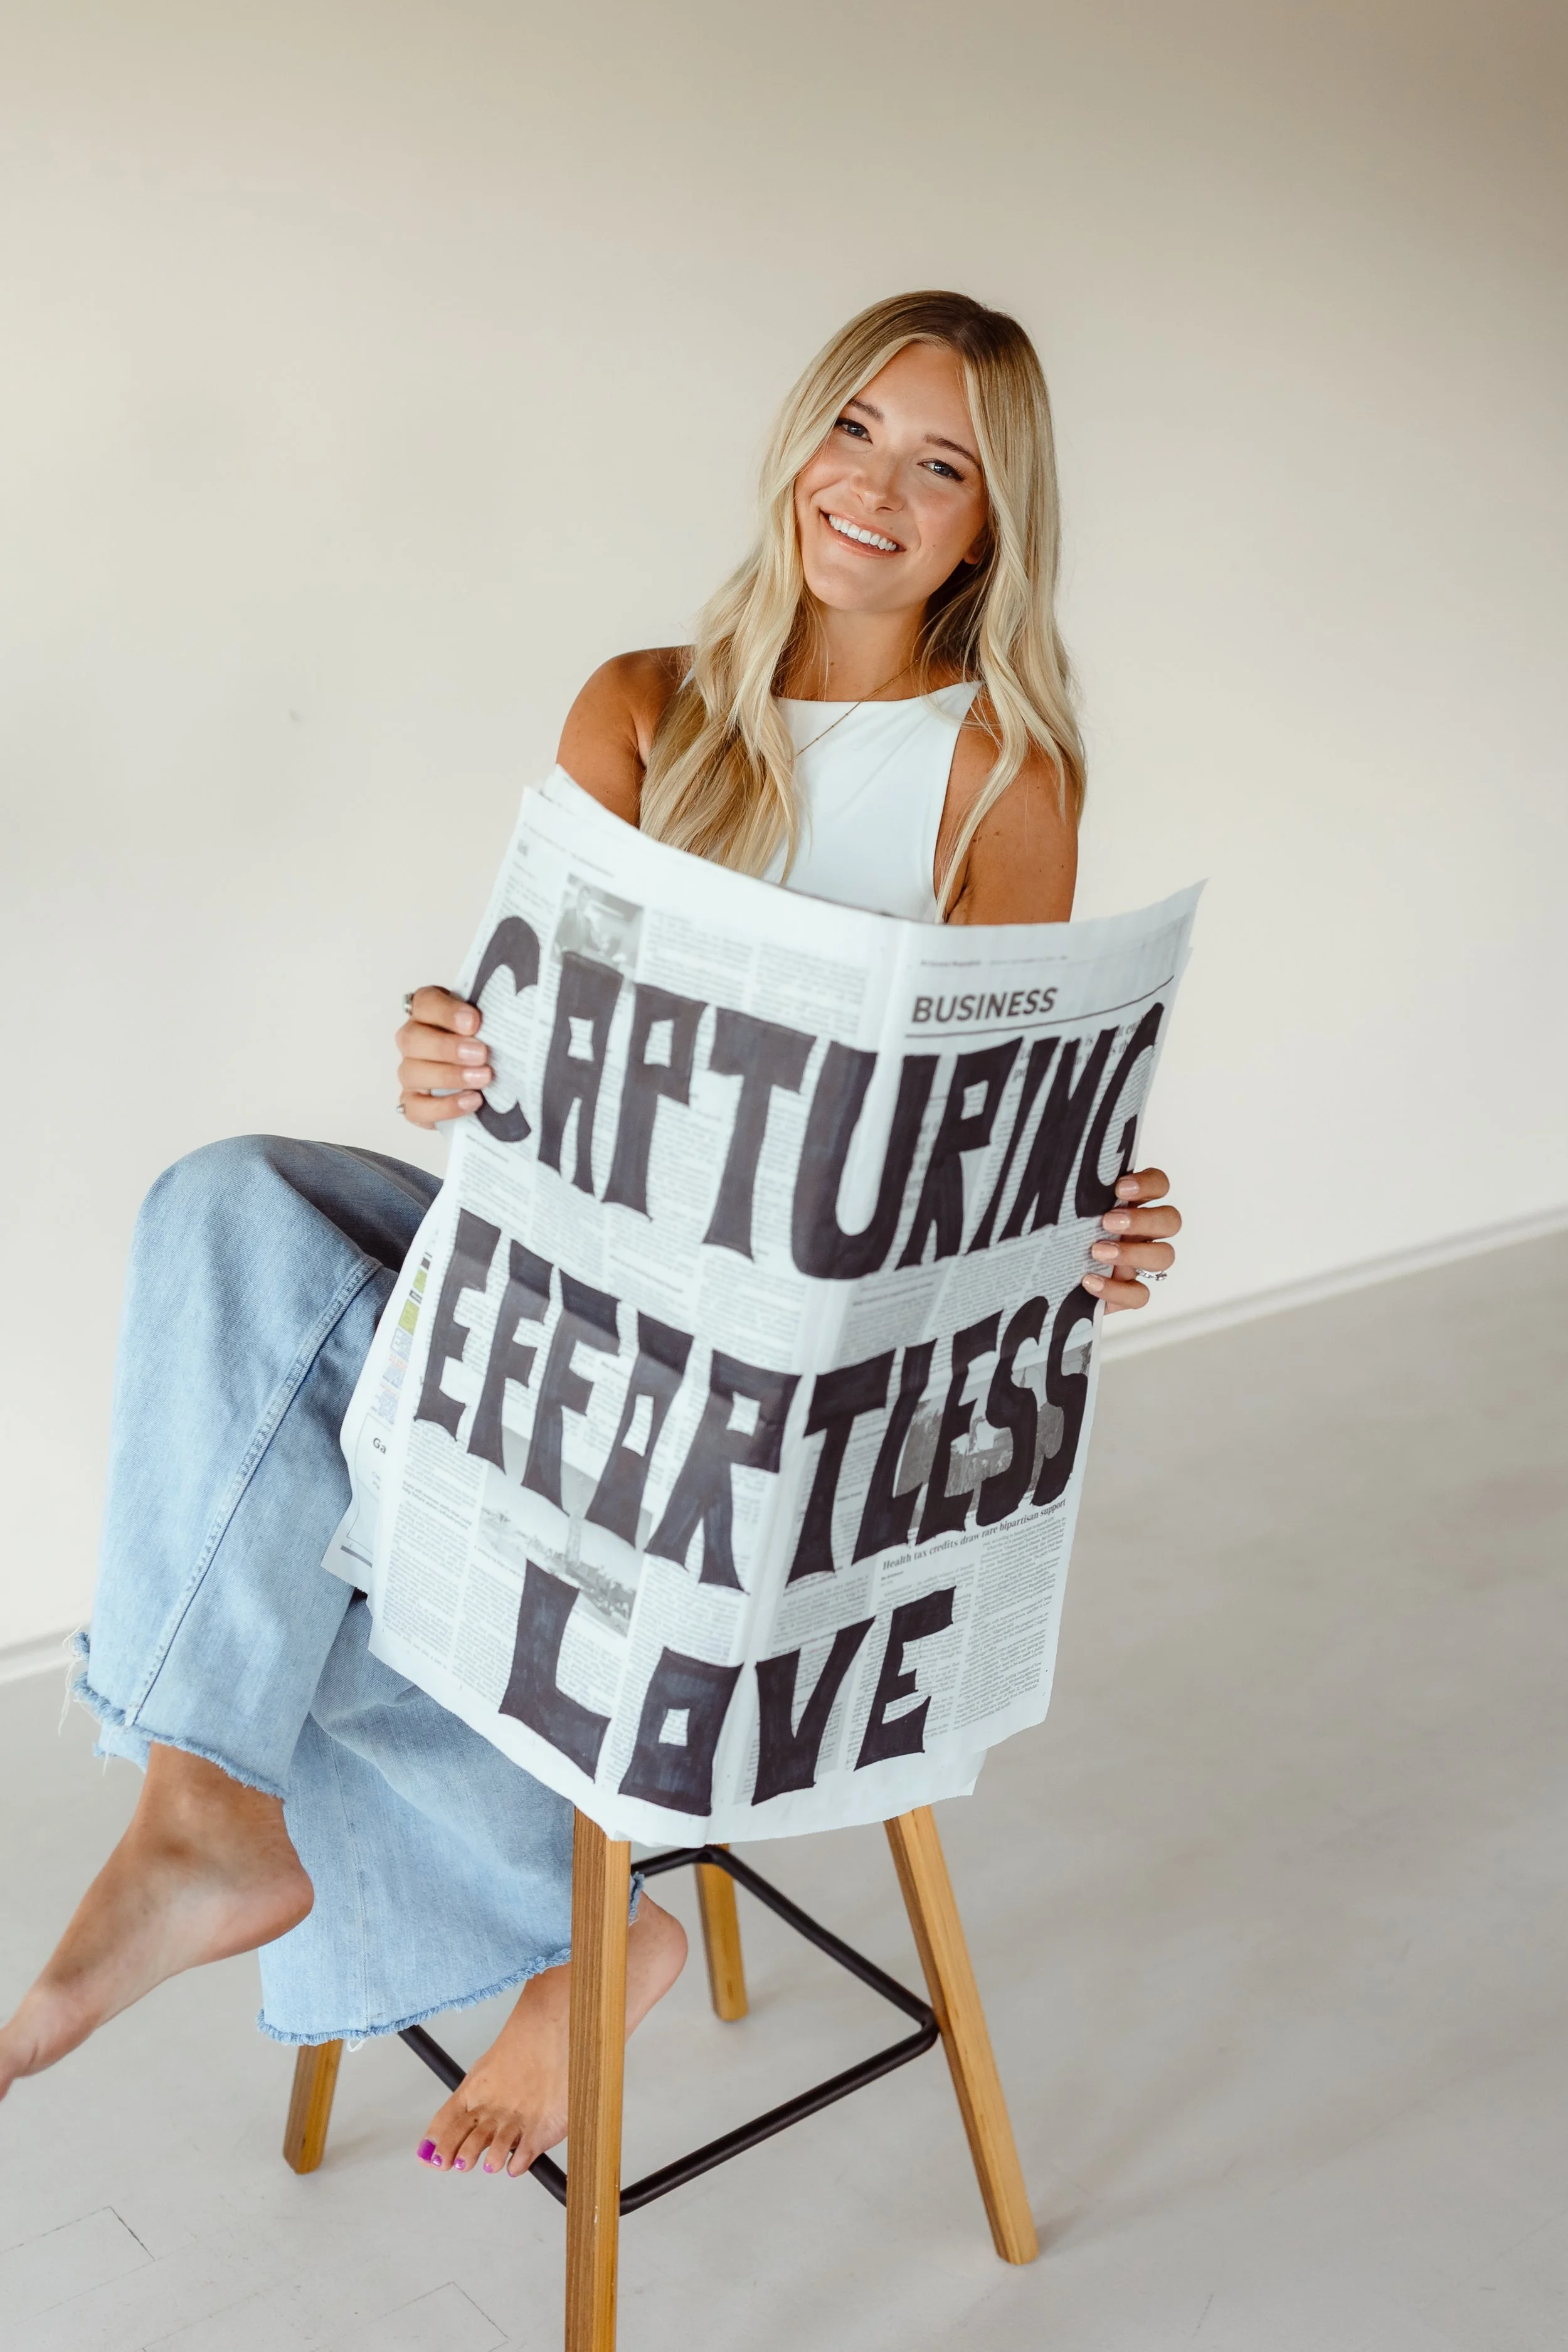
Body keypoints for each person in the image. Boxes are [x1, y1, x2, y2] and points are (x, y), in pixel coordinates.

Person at [0, 290, 1182, 2180]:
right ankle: (226, 1804)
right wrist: (447, 1050)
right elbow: (525, 1060)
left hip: (771, 1378)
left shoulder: (998, 780)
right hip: (553, 1282)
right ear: (801, 435)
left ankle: (436, 1880)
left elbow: (993, 1140)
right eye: (855, 428)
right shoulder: (644, 702)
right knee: (222, 1207)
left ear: (988, 526)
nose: (873, 487)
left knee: (318, 1483)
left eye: (940, 464)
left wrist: (1082, 1221)